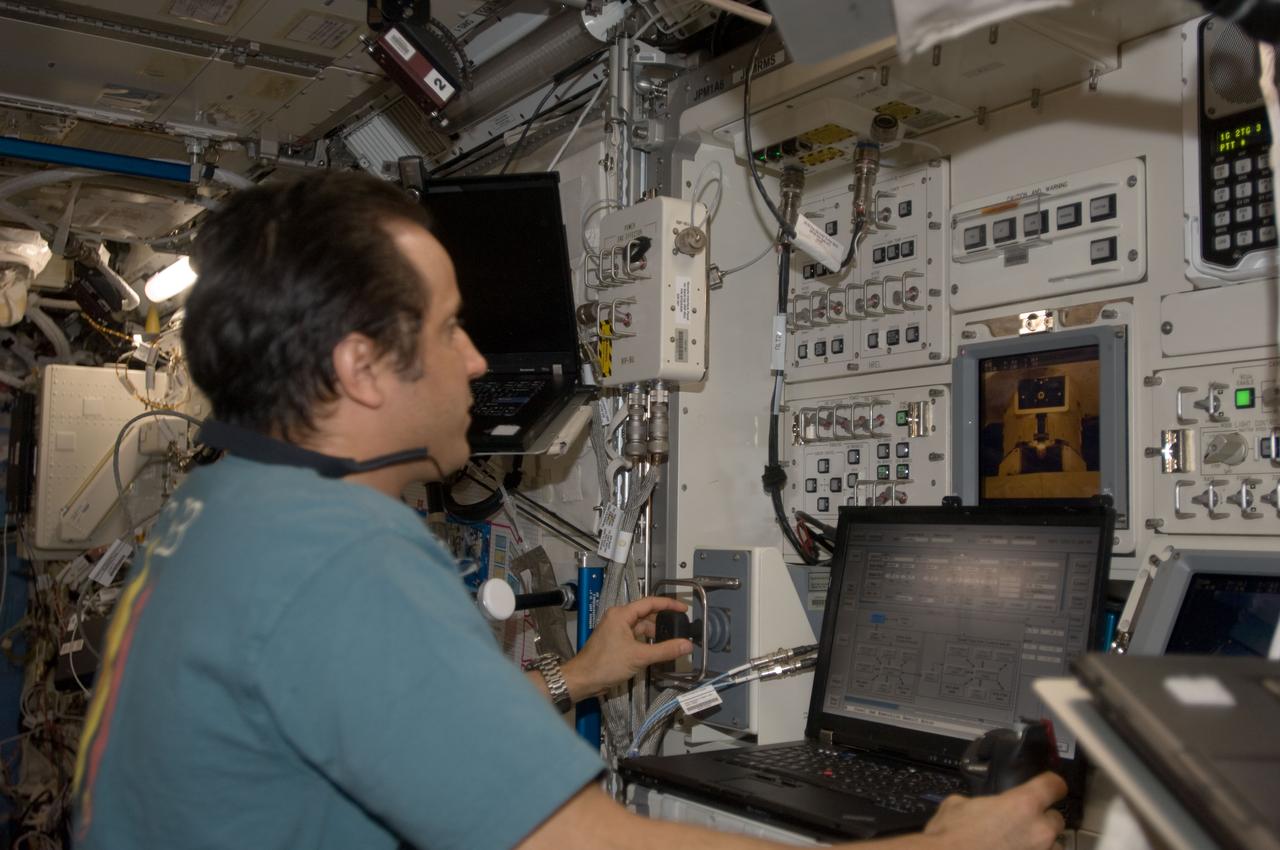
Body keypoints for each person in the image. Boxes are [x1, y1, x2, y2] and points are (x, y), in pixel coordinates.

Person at [72, 171, 1067, 850]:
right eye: (452, 326)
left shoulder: (226, 499)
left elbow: (347, 719)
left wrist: (575, 678)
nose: (475, 360)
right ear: (360, 365)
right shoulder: (340, 547)